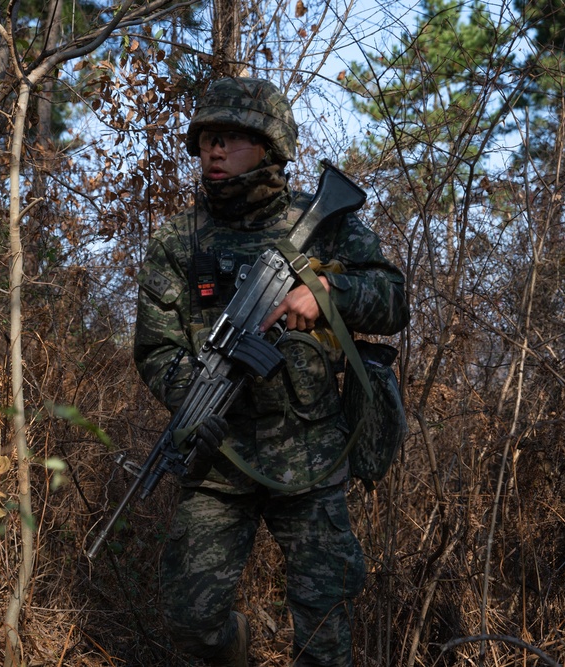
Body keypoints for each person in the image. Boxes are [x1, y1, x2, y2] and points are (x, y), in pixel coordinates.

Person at [133, 77, 409, 667]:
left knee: (324, 631)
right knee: (192, 623)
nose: (213, 149)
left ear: (270, 146)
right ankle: (237, 645)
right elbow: (156, 350)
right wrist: (196, 404)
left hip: (311, 455)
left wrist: (326, 292)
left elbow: (394, 301)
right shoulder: (177, 240)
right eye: (206, 138)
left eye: (230, 138)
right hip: (220, 459)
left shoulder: (325, 221)